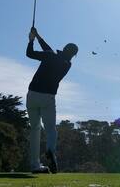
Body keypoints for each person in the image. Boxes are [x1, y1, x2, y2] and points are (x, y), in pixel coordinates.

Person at [26, 27, 78, 173]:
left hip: (32, 94)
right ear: (73, 55)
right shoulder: (67, 65)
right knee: (50, 129)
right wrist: (38, 37)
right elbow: (49, 51)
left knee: (35, 129)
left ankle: (35, 165)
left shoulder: (50, 56)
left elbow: (30, 54)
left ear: (63, 48)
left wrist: (31, 40)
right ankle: (50, 150)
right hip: (48, 97)